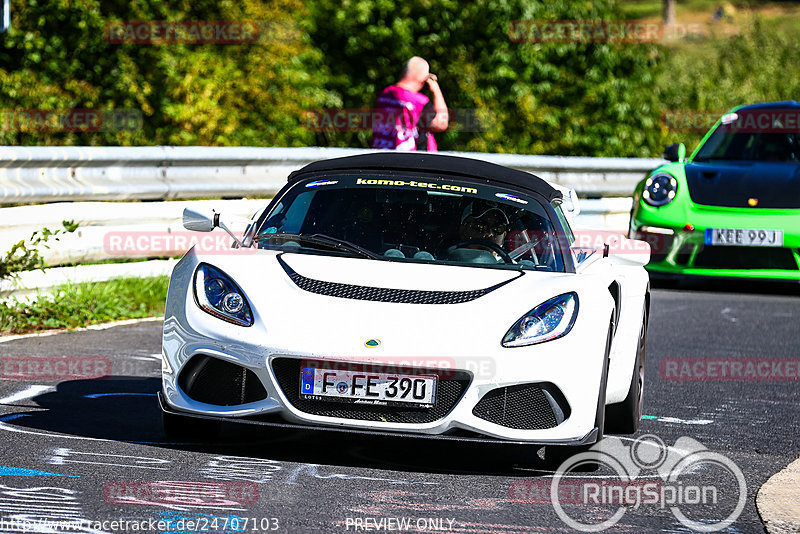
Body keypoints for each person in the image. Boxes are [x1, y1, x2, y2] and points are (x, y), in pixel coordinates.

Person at [370, 56, 448, 151]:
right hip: (411, 159)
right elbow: (441, 123)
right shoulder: (419, 101)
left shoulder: (384, 94)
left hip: (381, 154)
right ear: (422, 78)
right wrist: (436, 89)